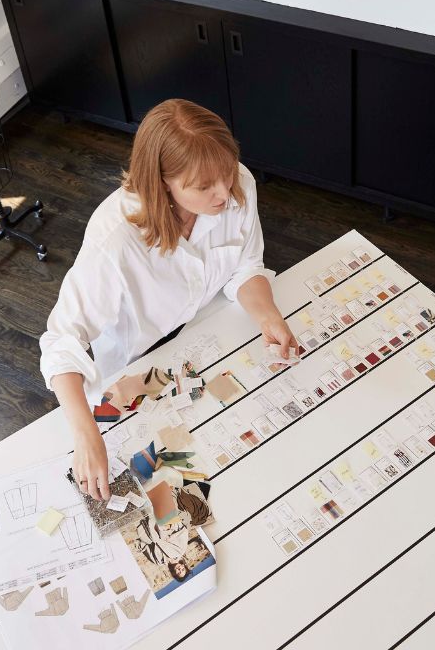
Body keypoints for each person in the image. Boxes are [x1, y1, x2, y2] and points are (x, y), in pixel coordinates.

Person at [40, 100, 296, 500]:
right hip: (137, 362)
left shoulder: (237, 184)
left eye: (226, 175)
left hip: (209, 336)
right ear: (162, 181)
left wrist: (268, 315)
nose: (224, 194)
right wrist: (86, 435)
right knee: (169, 485)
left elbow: (245, 267)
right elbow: (61, 341)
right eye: (204, 186)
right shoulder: (115, 238)